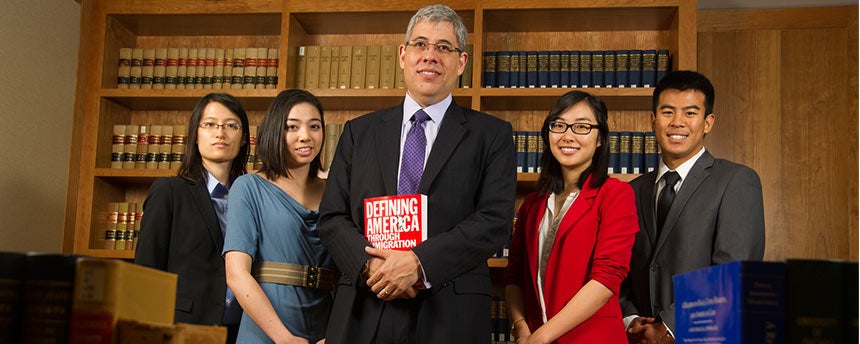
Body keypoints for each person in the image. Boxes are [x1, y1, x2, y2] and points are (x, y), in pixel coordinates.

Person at [317, 4, 516, 344]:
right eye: (420, 44)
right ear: (402, 55)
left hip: (450, 309)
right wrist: (372, 269)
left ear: (461, 63)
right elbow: (332, 216)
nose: (430, 56)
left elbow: (494, 220)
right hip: (366, 306)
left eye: (443, 47)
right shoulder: (358, 132)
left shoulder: (492, 134)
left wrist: (419, 264)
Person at [619, 70, 765, 344]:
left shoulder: (736, 181)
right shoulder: (632, 191)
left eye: (689, 113)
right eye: (667, 112)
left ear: (708, 122)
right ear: (653, 120)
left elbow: (733, 271)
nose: (677, 123)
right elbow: (621, 268)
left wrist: (670, 327)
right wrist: (630, 318)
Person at [503, 91, 638, 343]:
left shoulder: (615, 194)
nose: (568, 136)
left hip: (592, 338)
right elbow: (514, 276)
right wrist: (521, 327)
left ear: (600, 139)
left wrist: (542, 337)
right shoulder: (532, 204)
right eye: (559, 125)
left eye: (582, 127)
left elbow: (607, 278)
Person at [135, 93, 250, 343]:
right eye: (209, 124)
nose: (220, 133)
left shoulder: (252, 198)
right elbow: (147, 271)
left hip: (246, 328)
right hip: (186, 327)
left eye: (232, 125)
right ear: (195, 134)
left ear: (243, 139)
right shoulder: (169, 191)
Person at [223, 89, 333, 344]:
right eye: (292, 127)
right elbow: (237, 275)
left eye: (314, 126)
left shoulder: (336, 191)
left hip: (326, 328)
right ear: (275, 131)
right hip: (266, 330)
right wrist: (283, 338)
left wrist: (336, 334)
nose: (305, 136)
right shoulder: (248, 187)